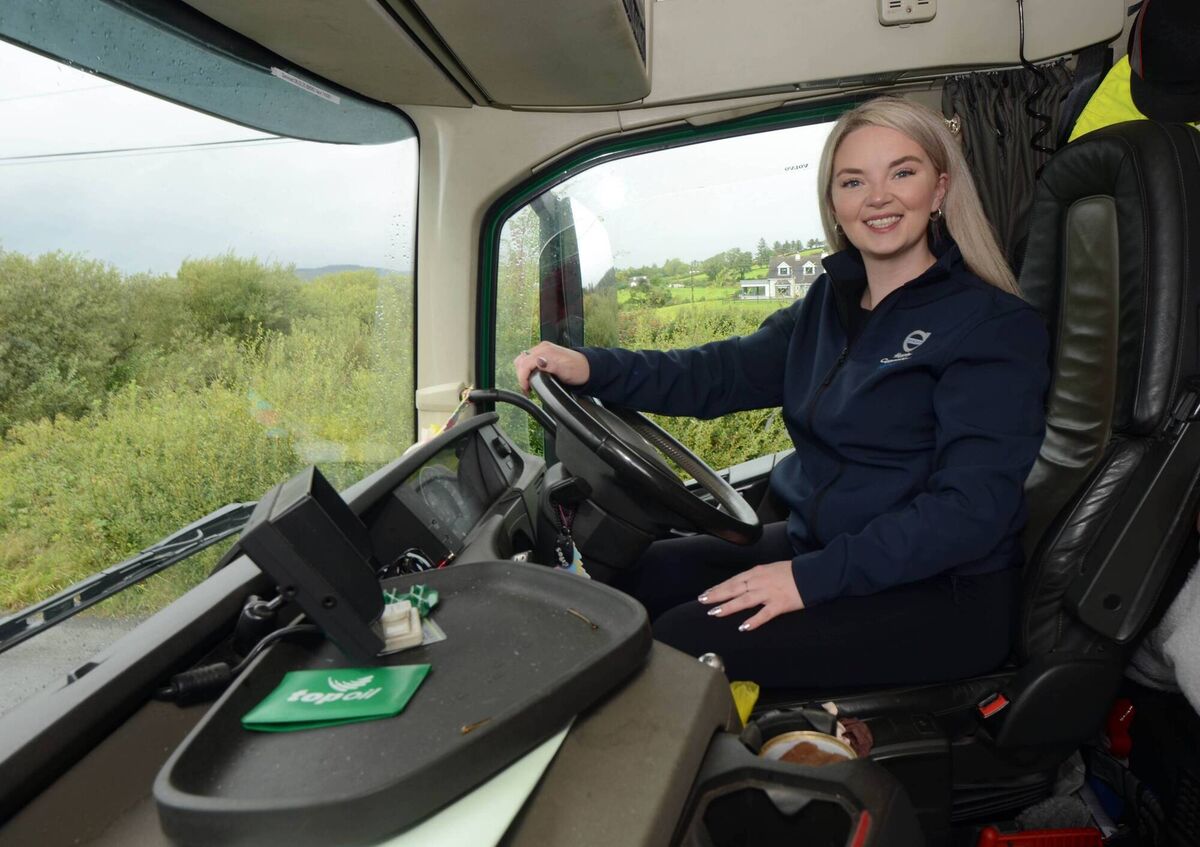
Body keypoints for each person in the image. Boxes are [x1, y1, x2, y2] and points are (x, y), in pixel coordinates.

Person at [514, 97, 1049, 689]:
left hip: (942, 593)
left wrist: (808, 580)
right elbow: (715, 374)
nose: (879, 196)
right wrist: (588, 366)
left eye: (903, 172)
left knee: (680, 644)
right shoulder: (830, 305)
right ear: (835, 203)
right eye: (854, 180)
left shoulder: (991, 325)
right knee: (640, 579)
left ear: (940, 188)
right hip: (820, 544)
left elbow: (972, 512)